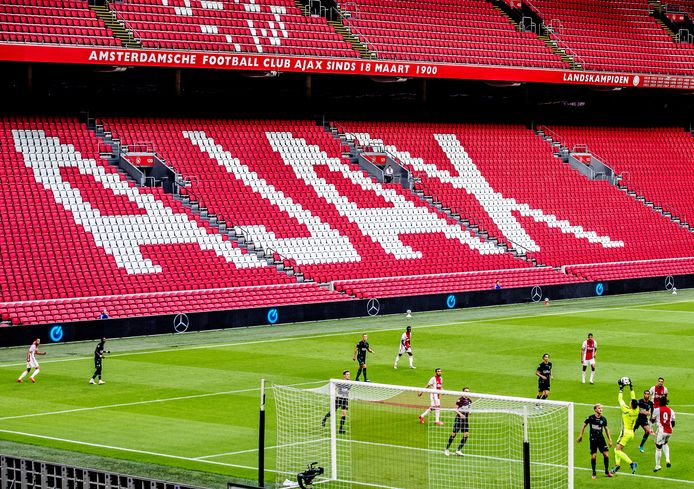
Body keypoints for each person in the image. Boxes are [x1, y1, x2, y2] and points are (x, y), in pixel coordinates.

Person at [577, 403, 613, 479]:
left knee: (606, 455)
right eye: (599, 408)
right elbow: (584, 425)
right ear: (595, 409)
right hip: (593, 439)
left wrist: (610, 439)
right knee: (594, 456)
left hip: (601, 439)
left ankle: (606, 471)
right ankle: (594, 472)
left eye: (601, 408)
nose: (601, 409)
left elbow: (606, 429)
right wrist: (581, 435)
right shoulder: (590, 418)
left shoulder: (603, 419)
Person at [611, 380, 639, 474]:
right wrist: (631, 387)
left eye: (630, 402)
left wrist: (621, 389)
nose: (630, 401)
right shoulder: (636, 410)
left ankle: (631, 463)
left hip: (625, 432)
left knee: (617, 450)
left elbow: (620, 400)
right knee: (618, 449)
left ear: (631, 405)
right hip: (631, 433)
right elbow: (634, 398)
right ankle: (617, 465)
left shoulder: (626, 410)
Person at [444, 387, 472, 456]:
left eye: (468, 391)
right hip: (459, 419)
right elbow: (455, 409)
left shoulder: (470, 401)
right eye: (466, 391)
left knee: (466, 435)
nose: (467, 392)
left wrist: (470, 412)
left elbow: (469, 409)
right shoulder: (460, 400)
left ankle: (458, 450)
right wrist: (461, 414)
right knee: (454, 434)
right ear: (463, 392)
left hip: (465, 420)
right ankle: (447, 449)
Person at [322, 370, 350, 434]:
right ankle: (324, 419)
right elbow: (335, 387)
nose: (349, 375)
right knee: (333, 411)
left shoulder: (350, 383)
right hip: (339, 398)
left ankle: (341, 428)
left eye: (349, 374)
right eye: (347, 374)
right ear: (344, 375)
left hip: (345, 399)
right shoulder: (340, 382)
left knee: (344, 413)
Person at [652, 395, 675, 472]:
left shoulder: (657, 410)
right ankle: (667, 459)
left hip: (661, 431)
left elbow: (652, 420)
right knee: (665, 443)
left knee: (658, 447)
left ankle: (657, 465)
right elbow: (673, 423)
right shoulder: (671, 411)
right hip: (669, 431)